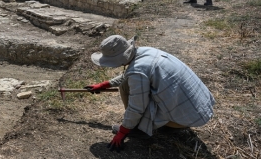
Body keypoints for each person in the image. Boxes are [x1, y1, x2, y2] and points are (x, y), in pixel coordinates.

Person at [85, 35, 215, 151]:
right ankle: (165, 124)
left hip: (188, 118)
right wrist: (106, 84)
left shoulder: (138, 71)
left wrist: (124, 131)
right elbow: (132, 74)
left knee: (125, 87)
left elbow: (136, 107)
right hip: (198, 108)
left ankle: (138, 129)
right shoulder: (145, 52)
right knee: (129, 85)